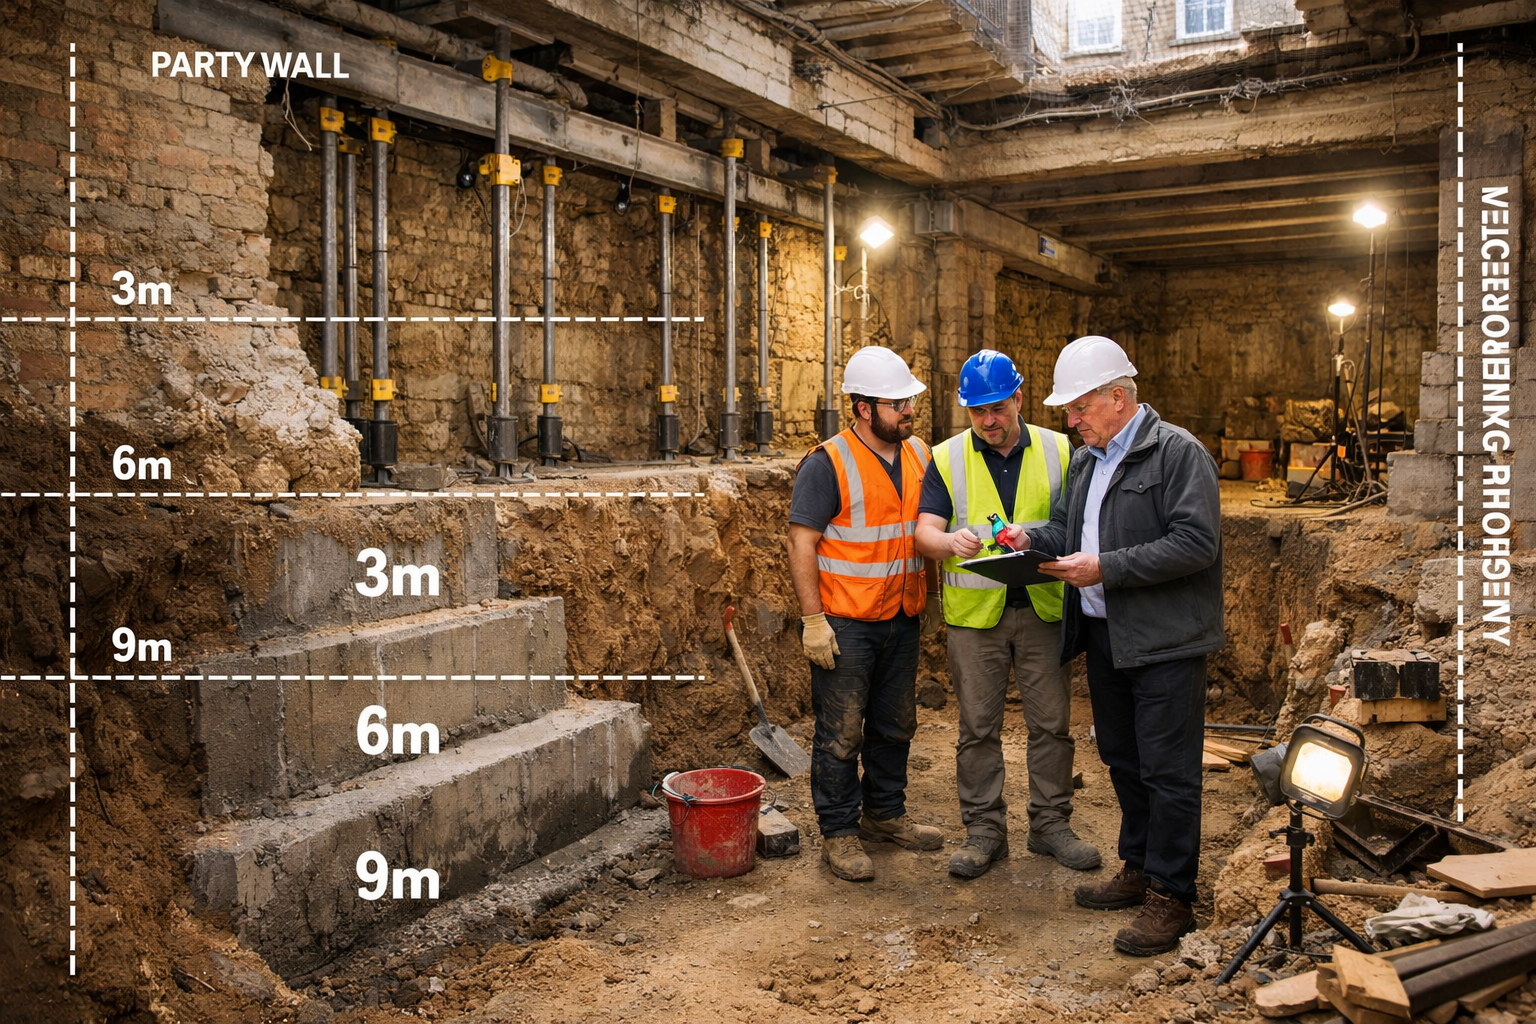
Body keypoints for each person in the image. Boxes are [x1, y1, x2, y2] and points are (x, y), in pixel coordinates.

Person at [1008, 336, 1223, 956]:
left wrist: (1107, 568)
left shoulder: (1177, 453)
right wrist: (1031, 539)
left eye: (1080, 408)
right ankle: (1140, 867)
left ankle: (1172, 894)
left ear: (1118, 398)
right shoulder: (1087, 461)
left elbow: (1195, 543)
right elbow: (1070, 531)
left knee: (1168, 771)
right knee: (1124, 760)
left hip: (1165, 643)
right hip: (1106, 636)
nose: (1072, 421)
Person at [914, 350, 1100, 879]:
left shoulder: (1060, 449)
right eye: (978, 411)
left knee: (1052, 725)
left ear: (1019, 398)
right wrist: (949, 541)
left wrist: (1034, 539)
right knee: (977, 728)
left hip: (1043, 608)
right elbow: (924, 533)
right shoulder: (946, 457)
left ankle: (1050, 825)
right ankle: (984, 831)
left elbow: (1076, 523)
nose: (989, 420)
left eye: (998, 408)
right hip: (976, 617)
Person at [787, 346, 944, 881]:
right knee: (842, 732)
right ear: (863, 408)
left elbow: (926, 530)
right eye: (897, 403)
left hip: (902, 615)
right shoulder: (826, 462)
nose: (909, 410)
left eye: (909, 401)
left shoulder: (919, 454)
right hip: (846, 624)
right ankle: (839, 832)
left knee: (895, 725)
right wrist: (813, 621)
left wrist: (933, 597)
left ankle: (884, 814)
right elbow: (801, 542)